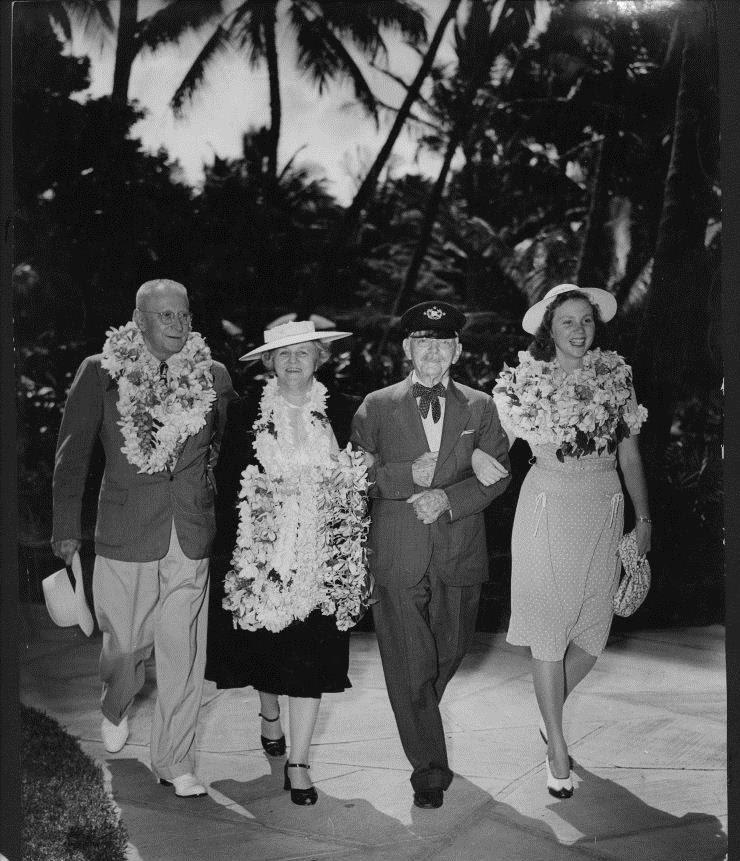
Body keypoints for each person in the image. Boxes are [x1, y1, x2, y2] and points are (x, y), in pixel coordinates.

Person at [51, 278, 236, 799]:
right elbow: (73, 453)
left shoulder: (214, 376)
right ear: (138, 321)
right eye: (165, 317)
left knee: (184, 651)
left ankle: (174, 760)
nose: (179, 325)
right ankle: (115, 702)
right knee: (126, 643)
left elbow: (219, 447)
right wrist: (66, 527)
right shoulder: (101, 372)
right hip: (125, 529)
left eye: (184, 315)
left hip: (190, 532)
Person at [473, 283, 652, 800]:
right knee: (549, 627)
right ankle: (557, 748)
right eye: (568, 321)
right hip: (547, 505)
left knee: (594, 633)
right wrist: (472, 464)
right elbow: (496, 447)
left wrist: (644, 521)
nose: (579, 331)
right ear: (549, 329)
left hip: (605, 506)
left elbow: (631, 457)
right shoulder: (523, 383)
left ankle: (549, 716)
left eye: (587, 321)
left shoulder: (617, 377)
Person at [350, 301, 511, 810]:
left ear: (458, 349)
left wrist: (450, 497)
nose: (434, 352)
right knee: (407, 658)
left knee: (448, 651)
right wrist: (404, 477)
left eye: (444, 343)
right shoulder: (375, 405)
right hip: (398, 548)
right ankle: (429, 771)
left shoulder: (480, 406)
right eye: (424, 342)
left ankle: (416, 712)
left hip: (460, 547)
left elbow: (499, 470)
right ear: (407, 349)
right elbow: (354, 475)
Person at [205, 319, 368, 807]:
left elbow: (358, 484)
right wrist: (237, 557)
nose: (294, 361)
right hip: (263, 553)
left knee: (310, 657)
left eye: (304, 352)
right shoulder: (244, 412)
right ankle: (268, 711)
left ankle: (298, 763)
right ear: (269, 363)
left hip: (321, 555)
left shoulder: (343, 412)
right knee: (265, 649)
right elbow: (230, 484)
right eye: (283, 354)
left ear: (320, 357)